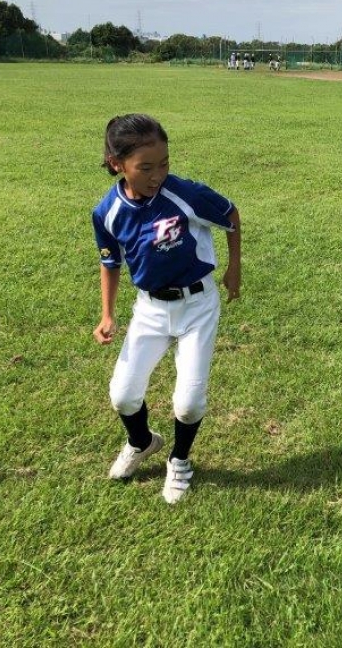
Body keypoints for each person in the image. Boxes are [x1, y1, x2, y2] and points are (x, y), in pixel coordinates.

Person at [92, 113, 241, 504]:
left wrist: (234, 269)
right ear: (116, 164)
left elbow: (230, 214)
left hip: (197, 307)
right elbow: (110, 262)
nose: (157, 175)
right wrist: (107, 314)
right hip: (150, 310)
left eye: (164, 163)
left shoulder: (183, 194)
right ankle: (142, 442)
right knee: (123, 395)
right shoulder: (107, 212)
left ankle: (180, 459)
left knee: (188, 403)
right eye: (145, 168)